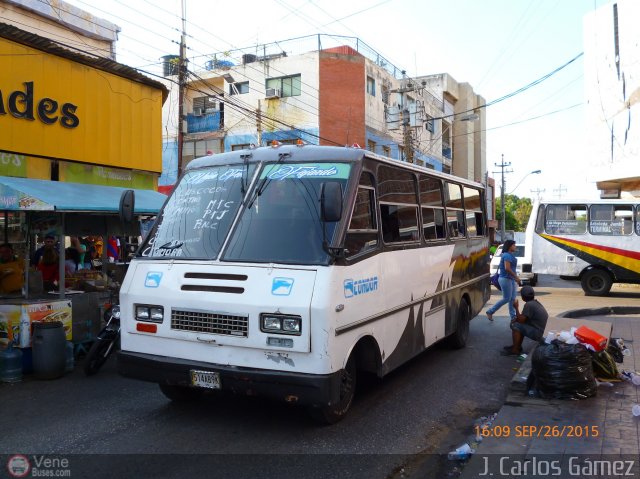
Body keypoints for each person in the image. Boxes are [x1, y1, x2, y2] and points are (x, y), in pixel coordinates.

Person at [501, 285, 549, 356]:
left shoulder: (529, 305)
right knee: (518, 323)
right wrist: (516, 319)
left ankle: (515, 350)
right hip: (543, 332)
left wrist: (516, 307)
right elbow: (524, 318)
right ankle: (517, 346)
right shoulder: (534, 303)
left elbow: (521, 320)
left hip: (540, 334)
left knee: (515, 325)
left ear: (523, 297)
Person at [486, 239, 521, 321]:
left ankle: (513, 317)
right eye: (514, 245)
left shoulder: (509, 255)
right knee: (507, 298)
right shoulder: (506, 255)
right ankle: (490, 311)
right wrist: (516, 277)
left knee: (512, 299)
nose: (515, 246)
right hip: (505, 279)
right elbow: (507, 268)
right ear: (509, 246)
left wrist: (515, 278)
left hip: (510, 279)